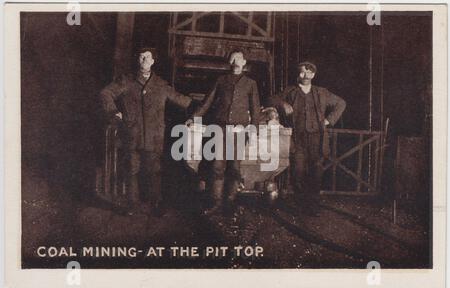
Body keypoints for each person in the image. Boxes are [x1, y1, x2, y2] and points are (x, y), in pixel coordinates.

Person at [100, 48, 192, 215]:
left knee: (154, 171)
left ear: (153, 61)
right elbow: (106, 93)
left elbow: (182, 101)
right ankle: (132, 206)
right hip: (132, 133)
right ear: (138, 60)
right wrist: (114, 112)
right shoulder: (126, 81)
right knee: (131, 169)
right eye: (141, 56)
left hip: (154, 136)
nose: (144, 60)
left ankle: (154, 205)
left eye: (147, 57)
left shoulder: (161, 85)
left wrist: (203, 109)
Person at [186, 50, 260, 215]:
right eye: (232, 59)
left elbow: (255, 109)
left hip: (240, 131)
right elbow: (208, 102)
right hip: (220, 129)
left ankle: (230, 203)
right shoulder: (221, 80)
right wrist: (194, 117)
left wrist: (253, 129)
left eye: (239, 59)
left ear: (244, 62)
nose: (235, 62)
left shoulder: (250, 84)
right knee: (217, 166)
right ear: (229, 62)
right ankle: (216, 202)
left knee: (234, 167)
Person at [269, 61, 346, 216]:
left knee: (316, 174)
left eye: (309, 72)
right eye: (302, 72)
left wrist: (328, 120)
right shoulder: (290, 91)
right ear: (298, 74)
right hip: (298, 139)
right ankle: (300, 206)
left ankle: (313, 207)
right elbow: (271, 99)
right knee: (298, 172)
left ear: (314, 75)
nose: (305, 75)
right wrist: (283, 104)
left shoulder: (321, 92)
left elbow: (341, 103)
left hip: (317, 139)